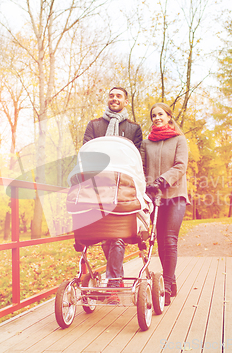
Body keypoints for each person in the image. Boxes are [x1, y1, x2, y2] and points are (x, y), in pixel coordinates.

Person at [82, 87, 143, 304]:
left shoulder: (134, 129)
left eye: (119, 96)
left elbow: (136, 160)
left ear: (125, 101)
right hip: (99, 187)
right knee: (107, 236)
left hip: (122, 188)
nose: (114, 98)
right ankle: (113, 280)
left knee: (116, 236)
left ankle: (114, 285)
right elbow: (87, 153)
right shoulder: (94, 125)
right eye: (111, 95)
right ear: (107, 99)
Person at [141, 102, 189, 306]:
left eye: (160, 114)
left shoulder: (179, 139)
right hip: (154, 197)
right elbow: (141, 168)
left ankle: (167, 286)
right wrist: (147, 185)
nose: (157, 118)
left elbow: (180, 166)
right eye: (153, 115)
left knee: (169, 239)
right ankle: (172, 280)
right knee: (159, 240)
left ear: (169, 117)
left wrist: (163, 180)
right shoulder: (146, 143)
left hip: (175, 195)